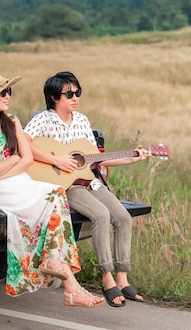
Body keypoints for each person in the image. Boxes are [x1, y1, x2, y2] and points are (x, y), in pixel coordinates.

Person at [0, 70, 105, 308]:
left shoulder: (13, 121)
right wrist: (12, 160)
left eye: (9, 90)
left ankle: (64, 277)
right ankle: (69, 284)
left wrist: (4, 165)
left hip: (17, 180)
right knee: (54, 196)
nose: (8, 95)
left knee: (57, 194)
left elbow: (27, 159)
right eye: (3, 91)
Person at [24, 71, 150, 308]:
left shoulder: (82, 120)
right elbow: (22, 142)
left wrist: (132, 158)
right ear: (54, 97)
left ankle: (122, 277)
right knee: (100, 215)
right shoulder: (44, 119)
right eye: (69, 93)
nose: (75, 97)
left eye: (77, 92)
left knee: (123, 217)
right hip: (66, 185)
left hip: (89, 180)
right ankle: (106, 277)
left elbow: (95, 159)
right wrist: (57, 161)